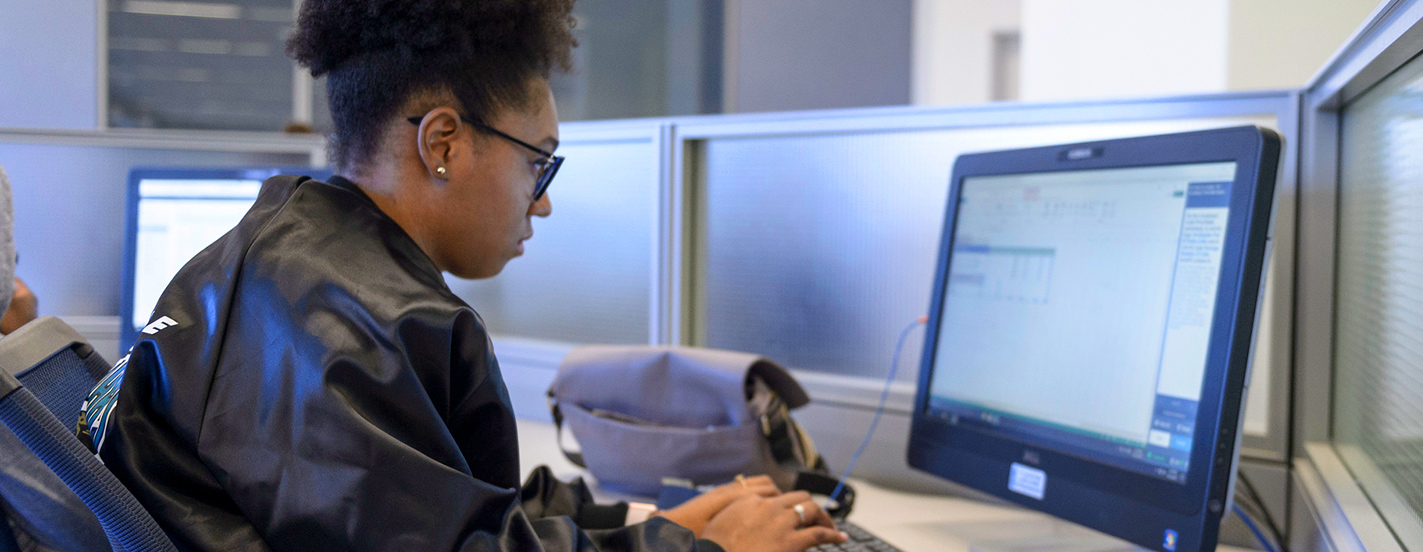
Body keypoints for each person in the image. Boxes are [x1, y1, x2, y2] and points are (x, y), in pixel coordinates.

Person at [80, 1, 848, 551]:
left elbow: (450, 505)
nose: (541, 203)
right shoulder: (355, 324)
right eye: (537, 161)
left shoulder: (284, 252)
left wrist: (661, 526)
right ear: (443, 142)